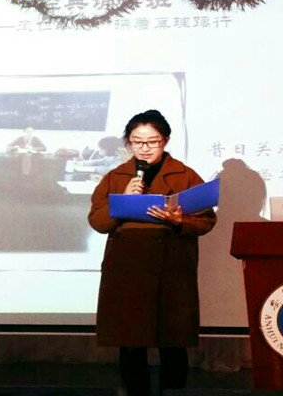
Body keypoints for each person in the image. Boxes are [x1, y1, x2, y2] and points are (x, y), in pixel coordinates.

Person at [88, 110, 217, 396]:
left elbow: (207, 221)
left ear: (165, 140)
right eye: (137, 142)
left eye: (152, 141)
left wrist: (179, 221)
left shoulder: (185, 175)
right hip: (128, 270)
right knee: (131, 344)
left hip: (171, 270)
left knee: (173, 344)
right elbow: (97, 222)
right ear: (128, 142)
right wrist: (122, 200)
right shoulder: (116, 177)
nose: (144, 148)